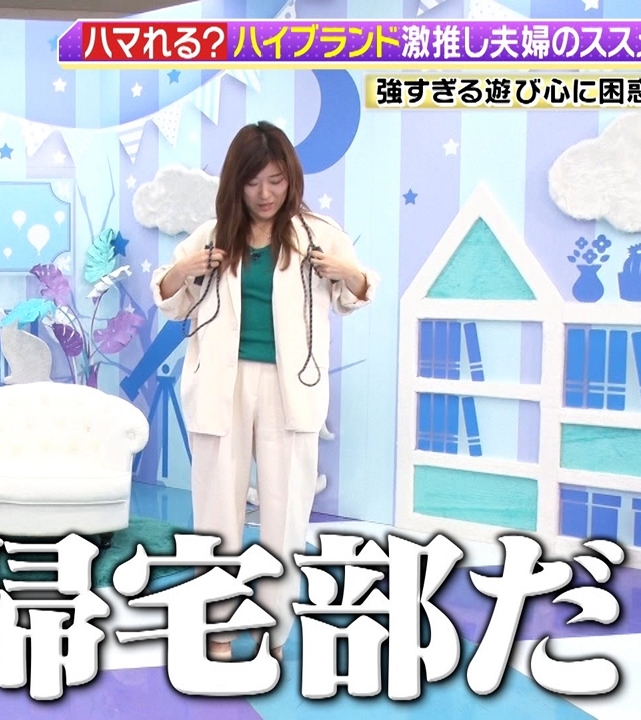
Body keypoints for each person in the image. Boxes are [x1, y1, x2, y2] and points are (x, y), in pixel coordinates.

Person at [151, 121, 379, 662]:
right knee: (215, 513)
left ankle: (274, 632)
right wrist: (184, 268)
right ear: (237, 183)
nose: (265, 193)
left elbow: (355, 294)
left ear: (291, 178)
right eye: (253, 182)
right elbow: (169, 297)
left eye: (276, 180)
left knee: (286, 513)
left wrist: (346, 271)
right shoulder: (213, 236)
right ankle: (219, 629)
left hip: (288, 388)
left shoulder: (318, 235)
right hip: (222, 385)